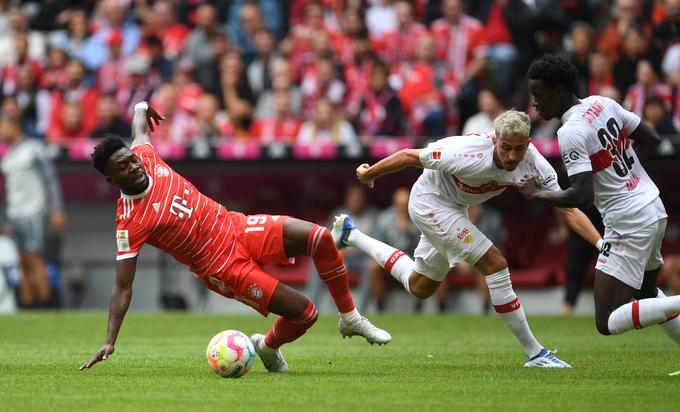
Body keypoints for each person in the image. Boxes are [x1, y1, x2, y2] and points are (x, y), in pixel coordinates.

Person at [80, 102, 390, 373]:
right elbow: (123, 286)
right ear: (112, 179)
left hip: (235, 226)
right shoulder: (129, 221)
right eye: (124, 167)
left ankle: (350, 317)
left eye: (131, 159)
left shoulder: (144, 155)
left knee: (321, 237)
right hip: (223, 267)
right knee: (305, 314)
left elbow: (140, 131)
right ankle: (268, 347)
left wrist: (141, 105)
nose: (134, 166)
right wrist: (110, 340)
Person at [333, 110, 605, 367]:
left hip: (455, 208)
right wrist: (370, 173)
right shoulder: (465, 152)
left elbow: (567, 208)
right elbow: (407, 155)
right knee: (495, 263)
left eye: (518, 148)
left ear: (528, 143)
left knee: (420, 286)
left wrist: (600, 245)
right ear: (495, 140)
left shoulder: (534, 163)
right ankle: (536, 353)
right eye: (505, 147)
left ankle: (352, 235)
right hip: (430, 201)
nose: (511, 156)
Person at [525, 54, 680, 343]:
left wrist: (538, 195)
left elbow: (582, 196)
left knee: (606, 320)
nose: (534, 102)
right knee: (647, 296)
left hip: (628, 221)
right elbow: (652, 139)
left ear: (560, 92)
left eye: (538, 94)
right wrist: (622, 172)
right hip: (653, 207)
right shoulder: (602, 103)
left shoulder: (570, 131)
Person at [0, 114, 66, 307]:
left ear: (14, 127)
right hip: (15, 215)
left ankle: (46, 303)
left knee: (35, 258)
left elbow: (50, 179)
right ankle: (27, 306)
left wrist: (56, 209)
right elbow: (11, 190)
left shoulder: (33, 150)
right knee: (21, 261)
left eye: (3, 126)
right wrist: (6, 218)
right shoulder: (8, 155)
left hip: (33, 213)